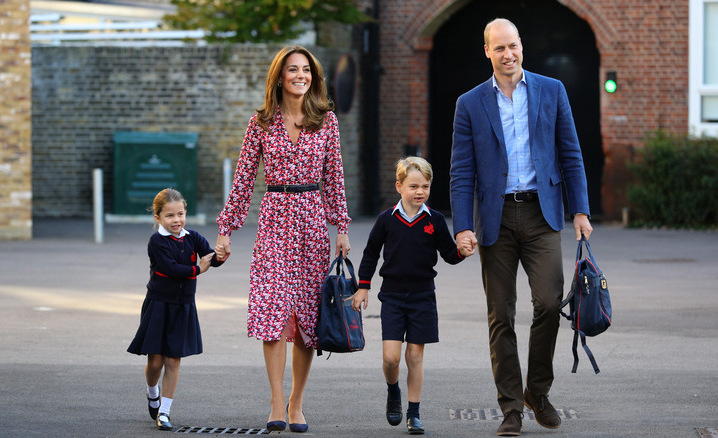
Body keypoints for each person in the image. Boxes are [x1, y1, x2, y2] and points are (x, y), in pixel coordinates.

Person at [449, 18, 594, 436]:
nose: (508, 54)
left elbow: (571, 154)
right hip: (494, 218)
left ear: (521, 47)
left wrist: (580, 210)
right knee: (501, 315)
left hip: (541, 213)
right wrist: (462, 227)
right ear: (487, 52)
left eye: (513, 46)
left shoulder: (552, 90)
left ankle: (538, 392)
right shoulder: (469, 103)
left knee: (549, 303)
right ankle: (511, 406)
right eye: (499, 48)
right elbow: (462, 173)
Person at [213, 46, 351, 433]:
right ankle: (276, 399)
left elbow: (335, 177)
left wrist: (341, 226)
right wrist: (226, 229)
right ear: (279, 76)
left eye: (306, 69)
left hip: (311, 221)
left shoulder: (327, 121)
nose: (300, 75)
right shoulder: (260, 123)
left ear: (314, 76)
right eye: (292, 69)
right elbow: (242, 181)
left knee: (308, 316)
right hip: (274, 218)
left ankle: (297, 402)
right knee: (272, 312)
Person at [352, 156, 467, 435]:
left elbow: (449, 255)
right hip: (392, 296)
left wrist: (463, 250)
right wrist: (363, 286)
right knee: (391, 358)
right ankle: (394, 391)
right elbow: (370, 254)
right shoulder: (386, 220)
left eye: (425, 186)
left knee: (414, 356)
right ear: (399, 186)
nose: (420, 192)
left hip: (423, 296)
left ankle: (414, 414)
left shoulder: (435, 220)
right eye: (414, 186)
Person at [127, 188, 222, 431]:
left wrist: (220, 255)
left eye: (180, 214)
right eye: (170, 216)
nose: (177, 220)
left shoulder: (193, 237)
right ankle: (152, 392)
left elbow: (210, 255)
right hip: (159, 305)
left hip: (184, 307)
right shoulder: (157, 241)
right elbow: (170, 269)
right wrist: (198, 269)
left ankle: (165, 412)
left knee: (174, 360)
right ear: (157, 217)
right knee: (156, 362)